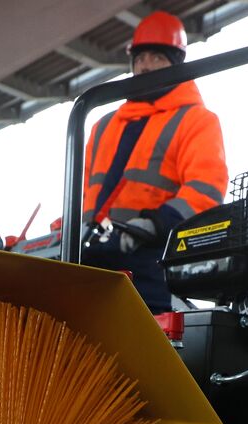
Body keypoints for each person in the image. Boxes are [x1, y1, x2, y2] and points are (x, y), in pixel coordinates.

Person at [80, 10, 228, 314]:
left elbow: (206, 191)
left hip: (152, 260)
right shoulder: (102, 125)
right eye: (140, 58)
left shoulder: (196, 120)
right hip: (92, 255)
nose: (146, 66)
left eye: (157, 57)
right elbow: (86, 193)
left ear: (176, 65)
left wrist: (154, 224)